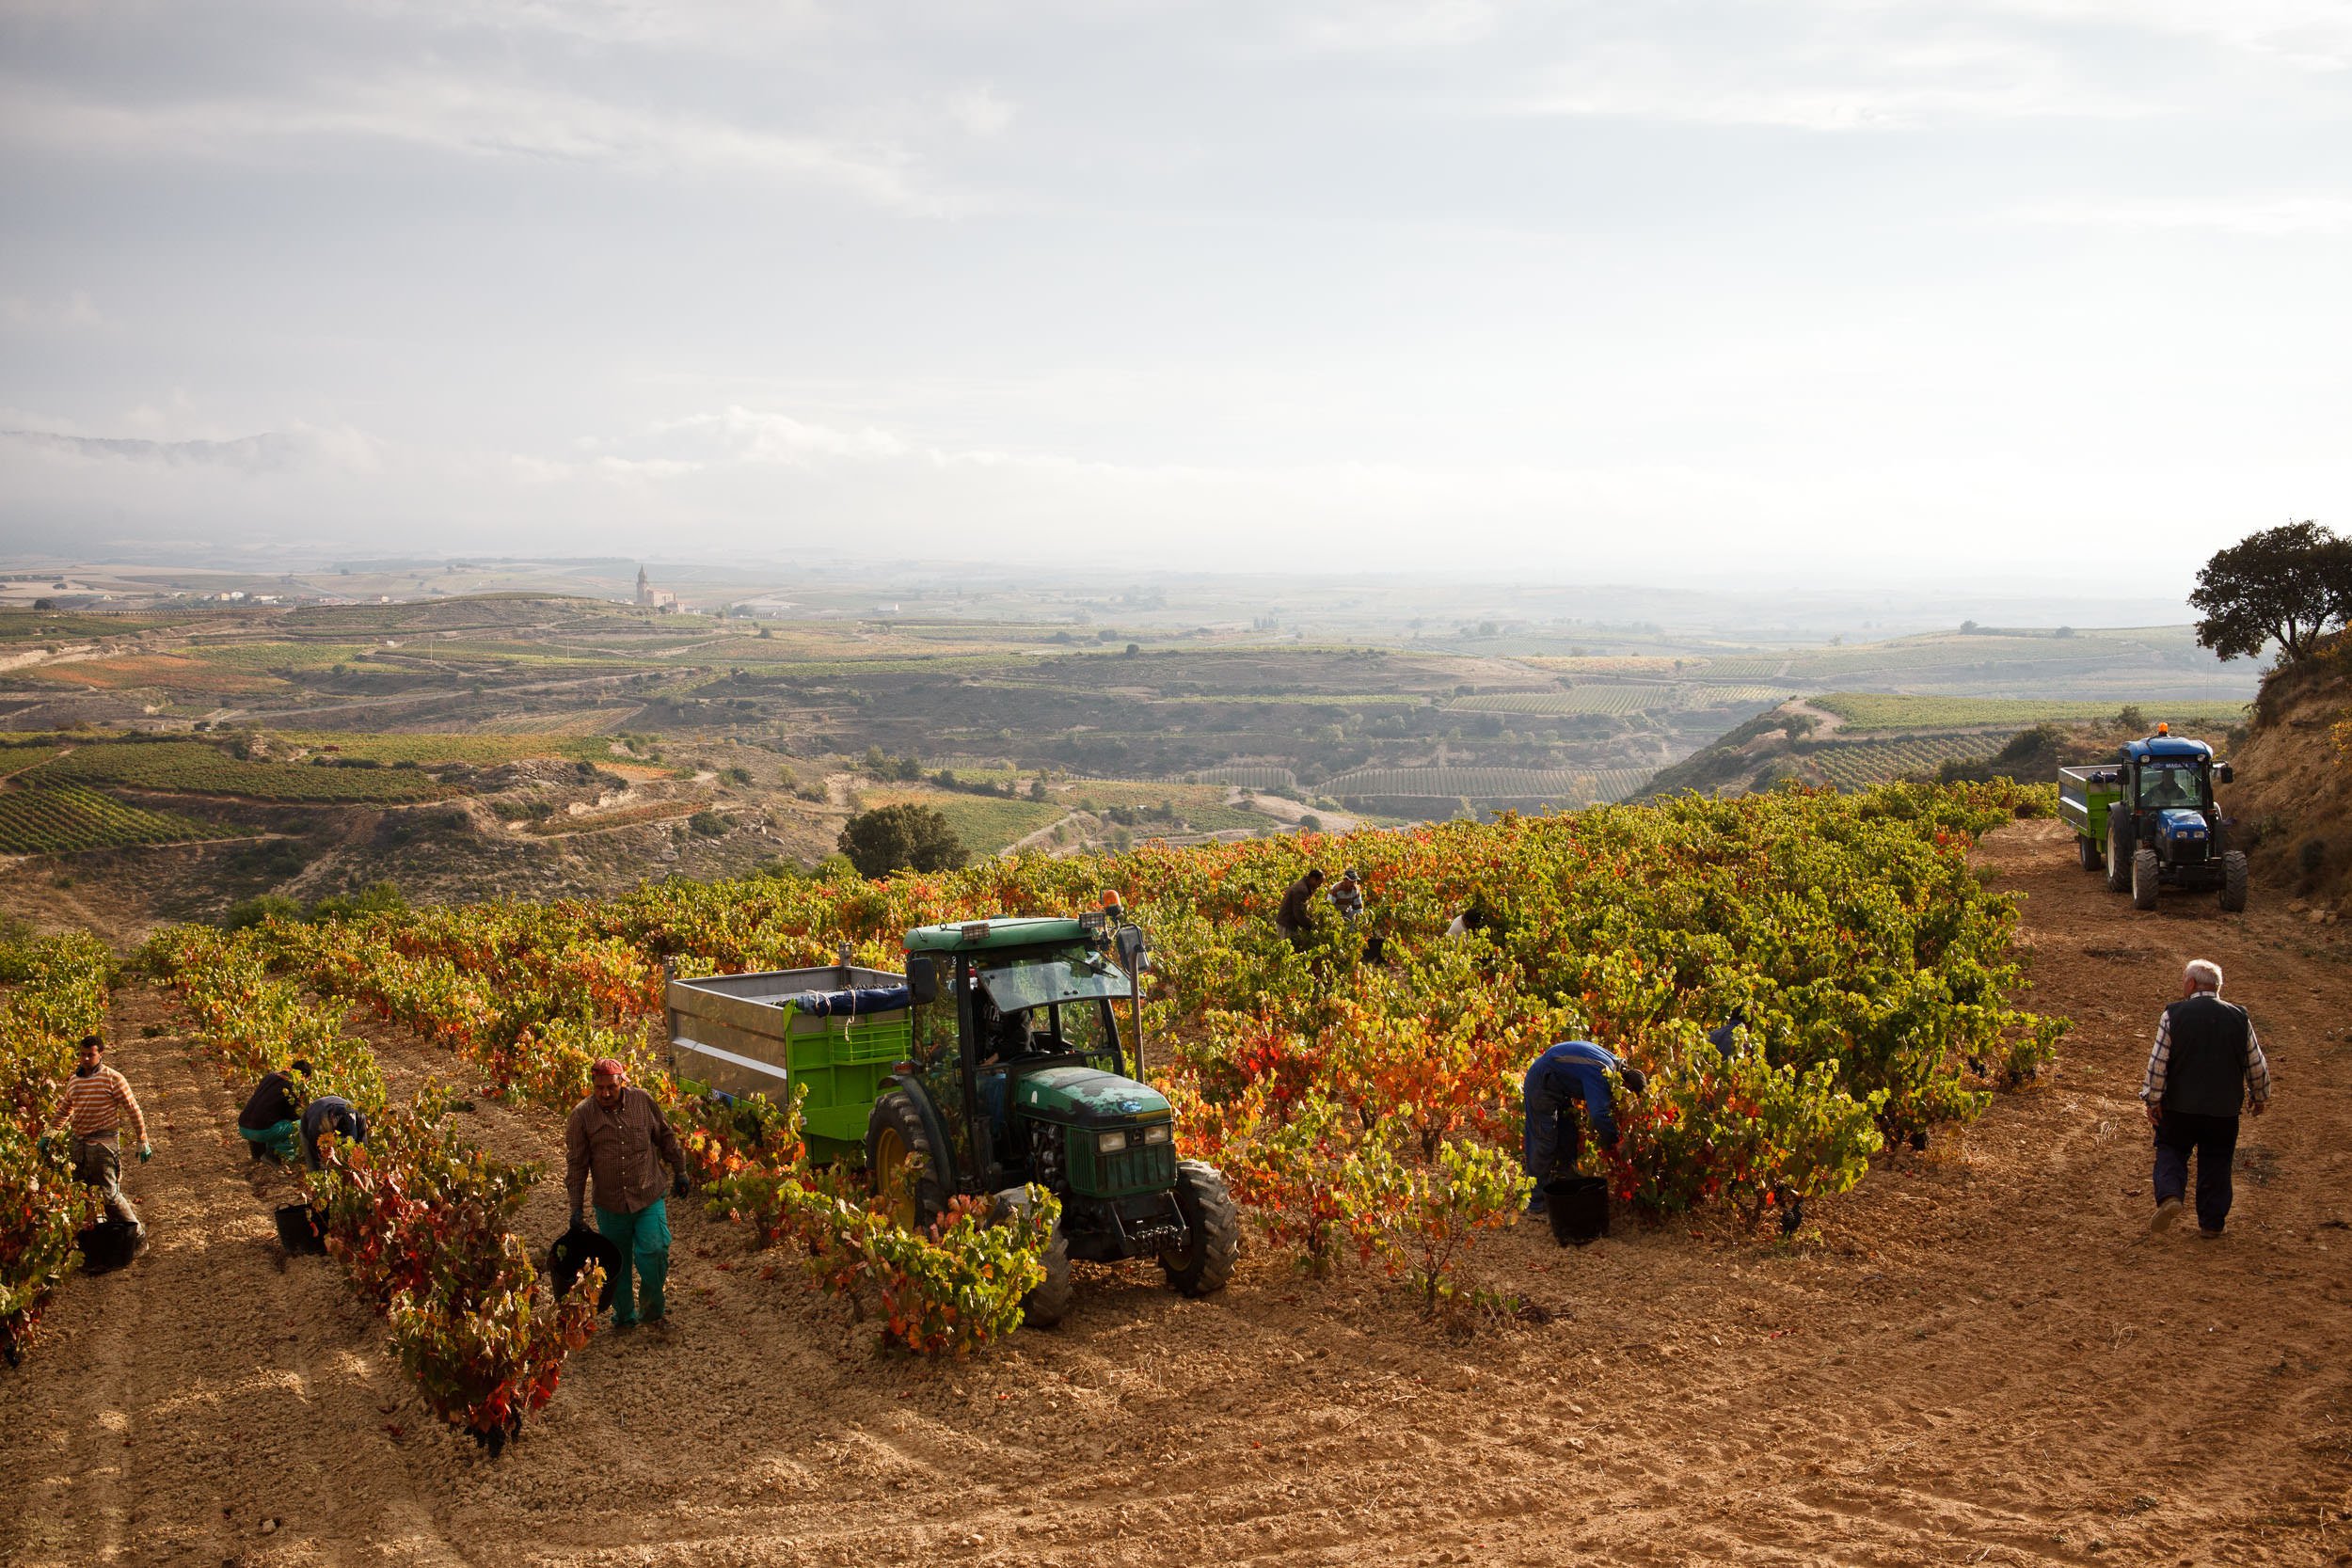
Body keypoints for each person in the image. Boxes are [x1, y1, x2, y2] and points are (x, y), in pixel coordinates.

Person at [2141, 958, 2270, 1239]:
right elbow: (2256, 1064)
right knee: (2216, 1161)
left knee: (2171, 1150)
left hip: (2178, 1108)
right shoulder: (2239, 1017)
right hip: (2223, 1110)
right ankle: (2211, 1224)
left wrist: (2152, 1100)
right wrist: (2259, 1096)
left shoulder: (2174, 1014)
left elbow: (2158, 1063)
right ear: (2217, 987)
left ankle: (2170, 1196)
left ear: (2190, 984)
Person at [566, 1056, 691, 1328]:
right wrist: (576, 1208)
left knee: (655, 1251)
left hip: (648, 1195)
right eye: (599, 1088)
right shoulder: (582, 1116)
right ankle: (624, 1317)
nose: (605, 1094)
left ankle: (652, 1311)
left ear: (623, 1081)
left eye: (611, 1087)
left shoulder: (642, 1102)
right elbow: (577, 1165)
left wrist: (680, 1170)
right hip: (610, 1204)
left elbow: (666, 1136)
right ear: (593, 1086)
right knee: (616, 1266)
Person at [1521, 1039, 1646, 1214]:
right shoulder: (1604, 1073)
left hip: (1558, 1084)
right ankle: (1536, 1203)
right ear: (1627, 1085)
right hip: (1541, 1082)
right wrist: (1614, 1142)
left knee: (1568, 1135)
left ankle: (1566, 1181)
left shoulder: (1615, 1064)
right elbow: (1599, 1115)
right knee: (1544, 1142)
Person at [61, 1034, 150, 1243]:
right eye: (82, 1055)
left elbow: (133, 1109)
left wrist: (142, 1139)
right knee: (84, 1193)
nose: (85, 1059)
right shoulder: (74, 1081)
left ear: (100, 1054)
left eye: (90, 1055)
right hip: (79, 1143)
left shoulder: (113, 1078)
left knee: (109, 1195)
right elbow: (64, 1109)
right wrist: (49, 1134)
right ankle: (102, 1239)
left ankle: (137, 1235)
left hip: (104, 1144)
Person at [238, 1059, 310, 1163]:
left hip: (244, 1126)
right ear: (304, 1076)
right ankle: (276, 1155)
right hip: (261, 1132)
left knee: (263, 1118)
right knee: (303, 1124)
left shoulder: (270, 1076)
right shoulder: (294, 1086)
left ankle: (258, 1154)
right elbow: (294, 1115)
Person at [299, 1093, 368, 1170]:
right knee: (316, 1166)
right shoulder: (317, 1125)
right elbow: (315, 1152)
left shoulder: (359, 1116)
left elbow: (362, 1147)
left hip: (331, 1108)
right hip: (310, 1118)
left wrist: (360, 1169)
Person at [1276, 867, 1325, 950]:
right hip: (1286, 924)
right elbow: (1299, 914)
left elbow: (1303, 907)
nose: (1319, 886)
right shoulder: (1302, 890)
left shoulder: (1304, 885)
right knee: (1288, 952)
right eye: (1319, 883)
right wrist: (1312, 926)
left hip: (1286, 923)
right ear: (1313, 879)